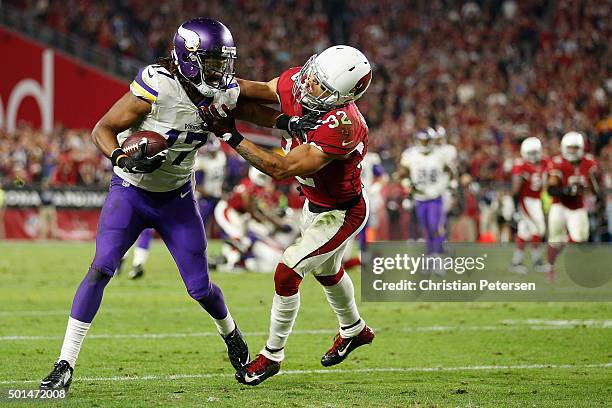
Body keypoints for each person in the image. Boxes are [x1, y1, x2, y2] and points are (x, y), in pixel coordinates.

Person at [40, 17, 249, 390]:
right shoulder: (158, 83)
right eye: (213, 61)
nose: (221, 70)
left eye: (224, 61)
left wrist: (290, 120)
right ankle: (65, 364)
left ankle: (230, 333)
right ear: (188, 58)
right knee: (102, 268)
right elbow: (102, 129)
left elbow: (263, 104)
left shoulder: (224, 92)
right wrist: (122, 157)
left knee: (200, 289)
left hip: (178, 198)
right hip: (131, 191)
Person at [200, 44, 375, 386]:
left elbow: (280, 168)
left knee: (287, 270)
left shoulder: (343, 125)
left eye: (321, 86)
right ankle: (354, 329)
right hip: (313, 203)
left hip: (341, 212)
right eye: (313, 76)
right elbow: (262, 91)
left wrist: (229, 133)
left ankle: (271, 355)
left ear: (343, 96)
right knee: (328, 271)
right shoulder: (306, 81)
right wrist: (224, 87)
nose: (309, 85)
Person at [397, 128, 456, 271]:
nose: (424, 143)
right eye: (421, 140)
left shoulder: (440, 154)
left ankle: (437, 258)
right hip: (420, 197)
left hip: (435, 197)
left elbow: (451, 172)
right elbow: (401, 174)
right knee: (427, 229)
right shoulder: (411, 155)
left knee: (435, 227)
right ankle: (432, 257)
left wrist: (448, 187)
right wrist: (407, 186)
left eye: (426, 140)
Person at [546, 131, 601, 280]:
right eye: (570, 148)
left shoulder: (588, 162)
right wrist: (565, 190)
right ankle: (550, 267)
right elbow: (551, 189)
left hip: (578, 206)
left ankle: (567, 259)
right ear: (564, 147)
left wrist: (593, 191)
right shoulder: (558, 162)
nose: (572, 151)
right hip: (560, 205)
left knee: (580, 237)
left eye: (575, 148)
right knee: (554, 239)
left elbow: (594, 186)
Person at [510, 137, 548, 273]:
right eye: (530, 153)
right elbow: (515, 189)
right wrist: (515, 207)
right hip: (526, 200)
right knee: (536, 230)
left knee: (525, 233)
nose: (532, 156)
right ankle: (537, 263)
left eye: (535, 152)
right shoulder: (521, 164)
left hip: (537, 201)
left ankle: (516, 263)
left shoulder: (544, 162)